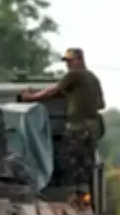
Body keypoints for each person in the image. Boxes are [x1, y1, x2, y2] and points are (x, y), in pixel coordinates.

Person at [20, 48, 105, 193]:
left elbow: (53, 91)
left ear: (79, 60)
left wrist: (30, 97)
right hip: (92, 128)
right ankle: (81, 192)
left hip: (76, 127)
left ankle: (69, 192)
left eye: (71, 61)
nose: (68, 64)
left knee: (68, 162)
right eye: (67, 61)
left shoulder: (74, 75)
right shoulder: (93, 78)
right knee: (85, 164)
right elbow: (101, 104)